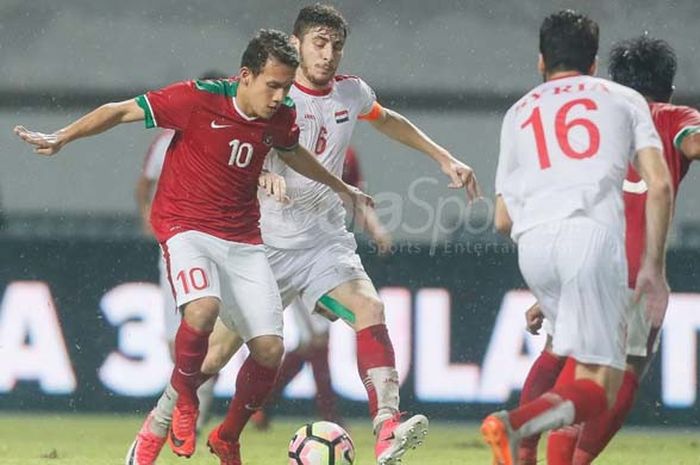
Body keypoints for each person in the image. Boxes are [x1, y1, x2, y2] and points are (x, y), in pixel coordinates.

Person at [127, 5, 480, 465]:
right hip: (262, 246)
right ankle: (172, 429)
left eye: (336, 45)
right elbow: (226, 151)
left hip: (324, 245)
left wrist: (442, 157)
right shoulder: (269, 92)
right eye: (319, 42)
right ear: (295, 44)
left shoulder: (352, 93)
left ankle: (388, 427)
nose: (328, 54)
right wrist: (259, 177)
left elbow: (387, 118)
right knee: (212, 359)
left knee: (369, 308)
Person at [13, 28, 371, 465]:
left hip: (243, 238)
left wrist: (340, 188)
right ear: (246, 76)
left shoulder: (279, 117)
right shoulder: (197, 100)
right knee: (201, 311)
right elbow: (120, 110)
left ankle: (227, 436)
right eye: (273, 85)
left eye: (284, 86)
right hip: (187, 227)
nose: (280, 96)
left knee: (269, 351)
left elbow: (292, 152)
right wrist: (63, 136)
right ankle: (185, 403)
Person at [482, 10, 672, 465]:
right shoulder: (624, 99)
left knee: (557, 353)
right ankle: (517, 425)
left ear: (541, 61)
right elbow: (659, 185)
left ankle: (523, 450)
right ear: (594, 63)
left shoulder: (518, 112)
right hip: (591, 239)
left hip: (534, 246)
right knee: (600, 382)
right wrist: (653, 268)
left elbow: (503, 218)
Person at [517, 35, 700, 465]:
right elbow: (693, 142)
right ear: (669, 88)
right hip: (633, 270)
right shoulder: (673, 117)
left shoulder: (592, 121)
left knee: (559, 352)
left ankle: (522, 445)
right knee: (620, 373)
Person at [251, 146, 393, 431]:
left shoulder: (345, 153)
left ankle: (264, 406)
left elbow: (354, 196)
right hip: (282, 251)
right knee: (301, 340)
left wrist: (375, 228)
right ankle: (319, 413)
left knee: (312, 341)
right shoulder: (282, 142)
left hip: (320, 255)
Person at [134, 70, 227, 433]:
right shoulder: (168, 139)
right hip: (176, 245)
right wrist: (147, 216)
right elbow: (143, 185)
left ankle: (197, 410)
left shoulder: (238, 136)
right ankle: (189, 405)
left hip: (221, 246)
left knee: (211, 334)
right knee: (178, 339)